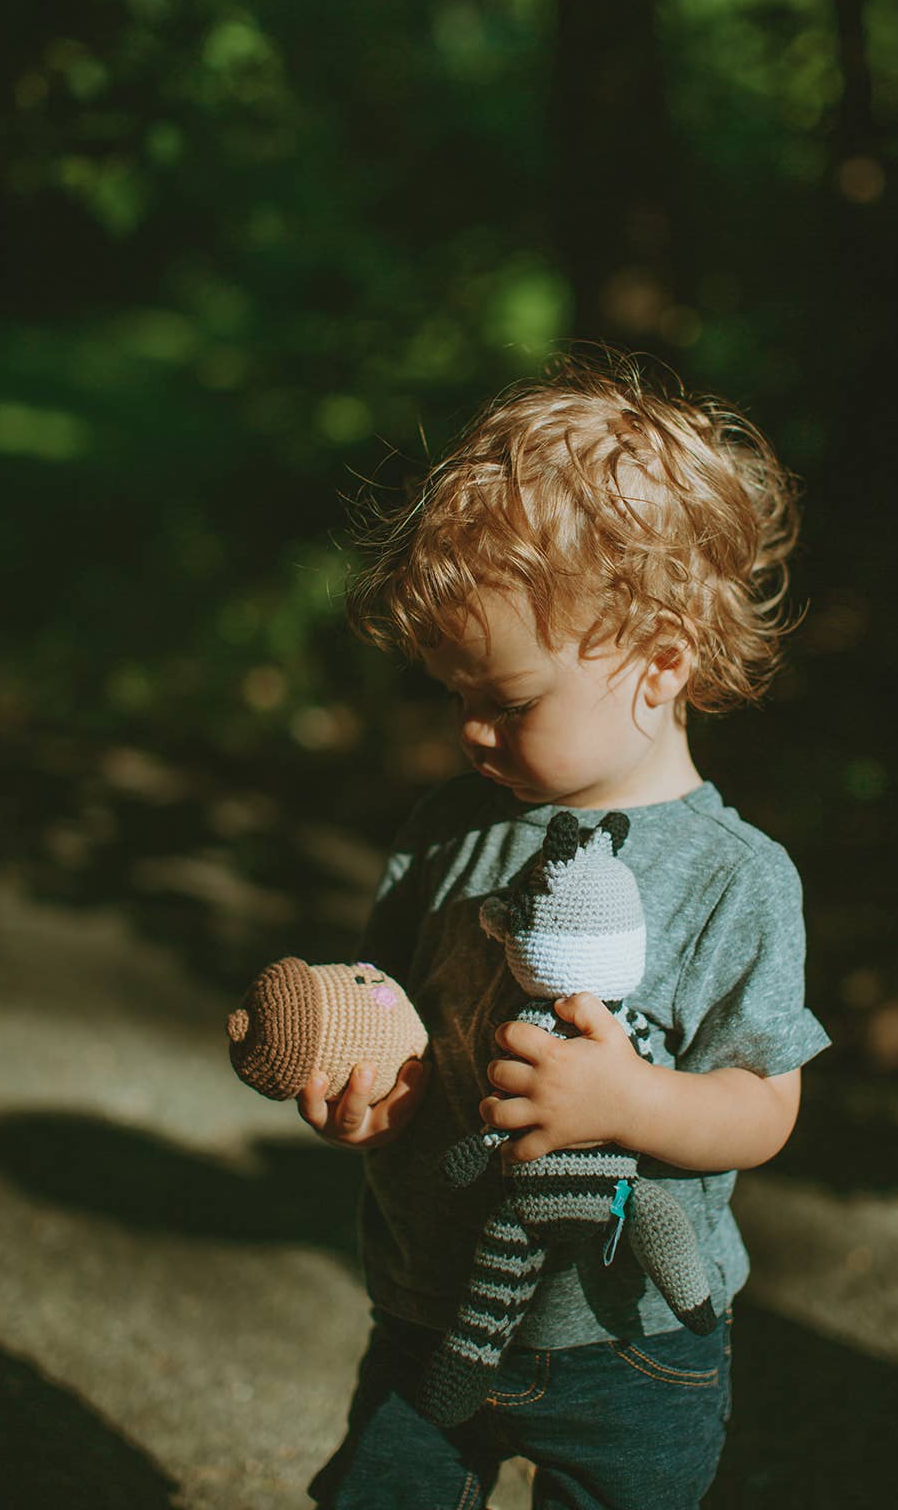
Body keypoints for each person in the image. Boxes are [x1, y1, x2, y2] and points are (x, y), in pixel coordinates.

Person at [298, 358, 830, 1509]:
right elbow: (392, 1005)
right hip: (429, 1302)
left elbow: (764, 1102)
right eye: (454, 698)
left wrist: (628, 1103)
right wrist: (364, 1078)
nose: (470, 734)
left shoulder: (735, 877)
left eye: (508, 701)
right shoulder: (453, 826)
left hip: (627, 1339)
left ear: (660, 660)